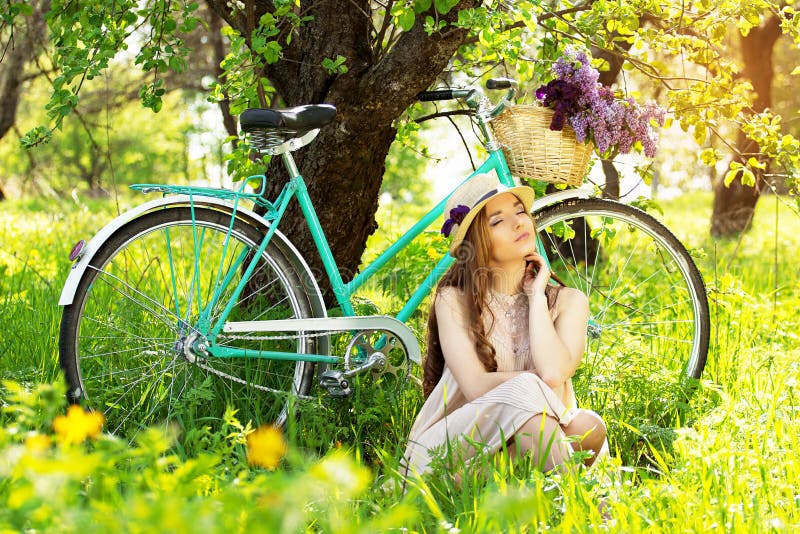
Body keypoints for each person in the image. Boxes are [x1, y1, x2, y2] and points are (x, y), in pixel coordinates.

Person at [402, 173, 606, 477]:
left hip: (523, 444)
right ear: (476, 242)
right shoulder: (453, 301)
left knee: (589, 425)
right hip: (453, 449)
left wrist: (536, 295)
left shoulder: (570, 302)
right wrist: (531, 385)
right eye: (497, 221)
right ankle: (580, 506)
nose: (519, 222)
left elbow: (553, 373)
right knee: (528, 398)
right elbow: (474, 385)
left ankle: (524, 488)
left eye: (520, 211)